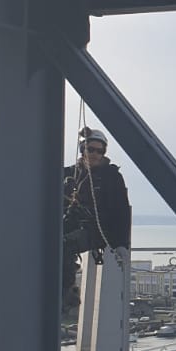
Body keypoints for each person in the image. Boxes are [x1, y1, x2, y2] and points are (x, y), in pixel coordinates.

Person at [63, 127, 132, 314]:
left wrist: (120, 244)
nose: (94, 154)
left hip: (98, 230)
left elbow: (121, 211)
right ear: (82, 150)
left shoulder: (111, 177)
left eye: (99, 151)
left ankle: (66, 294)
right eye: (90, 149)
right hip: (72, 223)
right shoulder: (70, 174)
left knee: (65, 245)